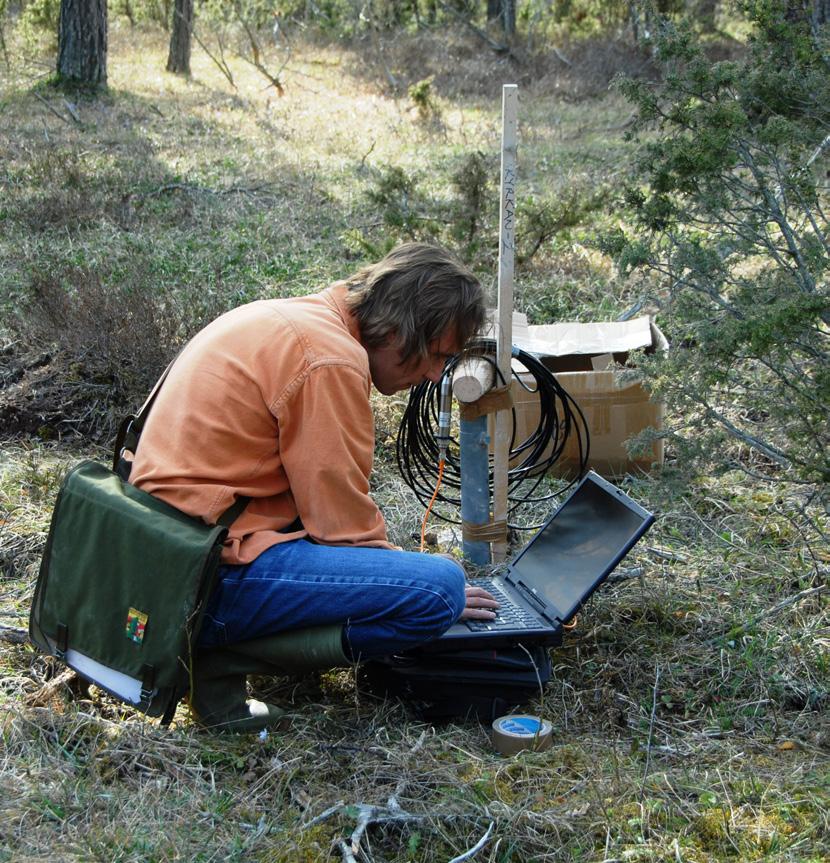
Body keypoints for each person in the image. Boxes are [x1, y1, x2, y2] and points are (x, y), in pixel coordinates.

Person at [129, 243, 499, 731]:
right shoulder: (331, 360)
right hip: (196, 580)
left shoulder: (294, 318)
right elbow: (341, 527)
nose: (434, 375)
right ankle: (213, 653)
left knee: (424, 582)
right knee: (439, 590)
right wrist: (421, 585)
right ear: (395, 330)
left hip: (165, 553)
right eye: (435, 356)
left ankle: (218, 648)